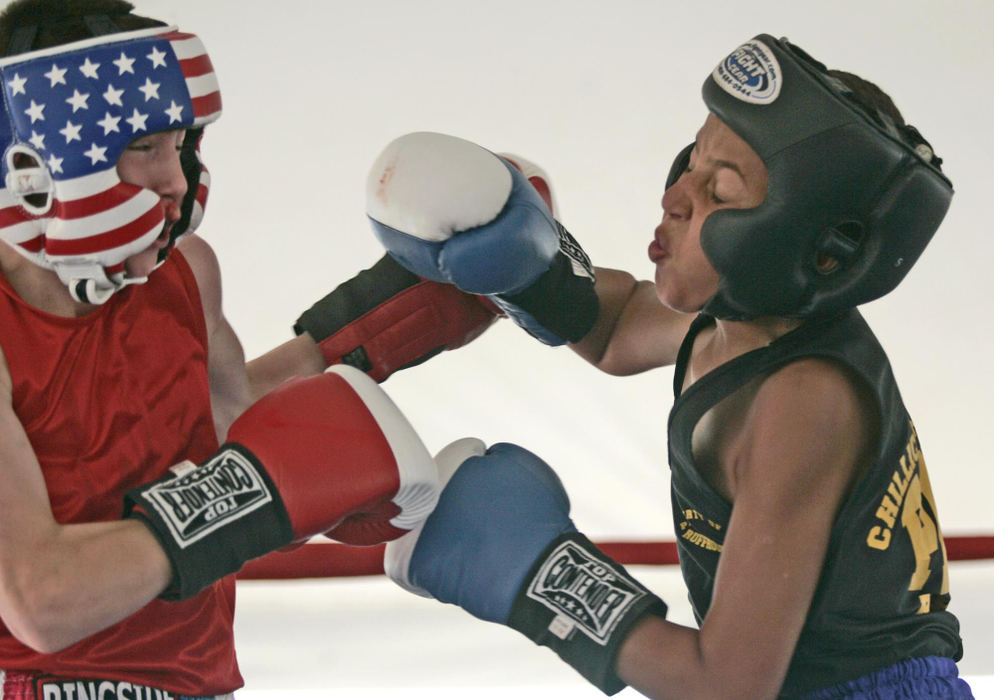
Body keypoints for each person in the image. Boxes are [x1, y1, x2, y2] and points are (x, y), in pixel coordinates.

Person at [368, 35, 974, 698]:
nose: (676, 194)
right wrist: (521, 264)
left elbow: (729, 685)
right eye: (693, 159)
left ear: (813, 246)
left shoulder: (803, 401)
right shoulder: (738, 317)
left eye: (718, 190)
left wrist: (541, 573)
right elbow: (619, 327)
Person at [0, 0, 505, 696]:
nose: (175, 182)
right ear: (38, 163)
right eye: (144, 147)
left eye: (179, 145)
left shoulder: (185, 274)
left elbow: (234, 427)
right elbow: (41, 599)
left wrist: (399, 316)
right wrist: (254, 495)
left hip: (201, 678)